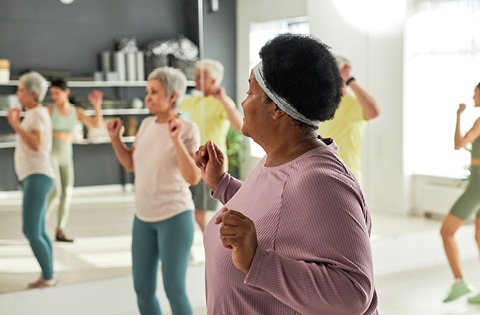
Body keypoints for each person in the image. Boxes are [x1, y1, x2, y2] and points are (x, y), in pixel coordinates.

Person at [194, 33, 378, 314]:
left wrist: (257, 261)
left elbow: (353, 295)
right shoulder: (280, 158)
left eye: (250, 92)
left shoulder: (321, 181)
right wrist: (221, 183)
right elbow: (278, 212)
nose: (243, 103)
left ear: (277, 108)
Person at [106, 67, 200, 315]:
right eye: (148, 91)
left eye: (154, 91)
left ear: (172, 96)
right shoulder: (146, 125)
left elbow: (193, 178)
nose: (148, 97)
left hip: (175, 218)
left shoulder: (188, 129)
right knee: (143, 290)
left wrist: (176, 140)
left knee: (174, 290)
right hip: (143, 218)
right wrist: (116, 138)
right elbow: (130, 164)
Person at [6, 71, 58, 288]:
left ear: (33, 93)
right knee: (39, 230)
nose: (18, 94)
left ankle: (48, 277)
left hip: (38, 176)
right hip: (36, 176)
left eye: (21, 90)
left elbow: (36, 144)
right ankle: (48, 274)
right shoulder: (36, 113)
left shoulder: (36, 114)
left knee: (30, 230)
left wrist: (15, 124)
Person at [179, 58, 243, 233]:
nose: (195, 79)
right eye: (195, 75)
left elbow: (239, 126)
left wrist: (221, 99)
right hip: (193, 163)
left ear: (213, 81)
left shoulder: (223, 102)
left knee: (200, 215)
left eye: (200, 76)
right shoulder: (196, 102)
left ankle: (216, 249)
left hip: (211, 165)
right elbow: (173, 103)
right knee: (190, 210)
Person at [46, 78, 104, 242]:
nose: (54, 96)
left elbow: (97, 125)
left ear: (66, 92)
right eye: (52, 94)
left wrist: (97, 107)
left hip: (66, 154)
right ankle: (38, 225)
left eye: (57, 93)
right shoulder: (50, 110)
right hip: (52, 154)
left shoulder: (75, 111)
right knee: (55, 191)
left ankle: (60, 230)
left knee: (67, 193)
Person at [441, 82, 480, 304]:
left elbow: (459, 144)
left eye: (476, 94)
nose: (473, 98)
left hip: (477, 185)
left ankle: (460, 282)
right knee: (479, 237)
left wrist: (458, 116)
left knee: (446, 232)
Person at [317, 54, 380, 184]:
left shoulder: (356, 104)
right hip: (320, 170)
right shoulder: (320, 103)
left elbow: (374, 111)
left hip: (348, 173)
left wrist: (350, 80)